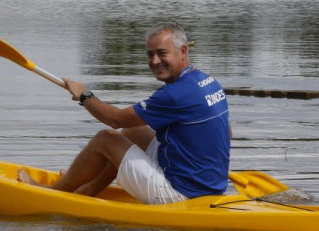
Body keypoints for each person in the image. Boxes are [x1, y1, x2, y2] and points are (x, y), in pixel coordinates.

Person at [18, 22, 230, 204]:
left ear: (183, 52)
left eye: (162, 53)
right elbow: (226, 133)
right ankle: (88, 189)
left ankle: (53, 193)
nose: (155, 61)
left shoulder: (175, 94)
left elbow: (114, 119)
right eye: (150, 54)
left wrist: (84, 95)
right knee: (133, 131)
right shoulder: (210, 82)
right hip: (212, 187)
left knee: (106, 138)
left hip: (182, 194)